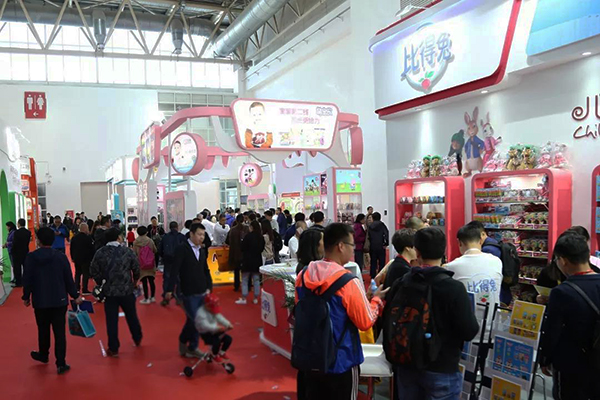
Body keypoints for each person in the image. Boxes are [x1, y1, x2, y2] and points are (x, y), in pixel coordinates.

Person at [295, 223, 387, 399]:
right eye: (352, 245)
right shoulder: (348, 281)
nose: (353, 250)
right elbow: (365, 322)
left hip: (309, 357)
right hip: (341, 360)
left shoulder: (304, 275)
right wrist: (376, 300)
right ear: (341, 246)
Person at [387, 228, 479, 399]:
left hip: (407, 363)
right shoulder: (453, 288)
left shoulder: (402, 283)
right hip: (442, 366)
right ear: (444, 250)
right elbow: (469, 330)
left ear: (417, 251)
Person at [540, 232, 600, 399]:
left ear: (563, 260)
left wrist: (545, 359)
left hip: (571, 363)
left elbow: (552, 330)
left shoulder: (562, 292)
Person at [22, 227, 82, 374]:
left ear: (38, 240)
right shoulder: (60, 257)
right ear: (53, 239)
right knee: (59, 332)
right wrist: (75, 295)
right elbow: (68, 279)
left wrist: (26, 296)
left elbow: (27, 278)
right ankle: (61, 363)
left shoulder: (31, 257)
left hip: (40, 299)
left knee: (43, 329)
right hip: (59, 299)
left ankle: (43, 354)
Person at [90, 228, 143, 357]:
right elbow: (136, 268)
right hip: (126, 290)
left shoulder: (100, 253)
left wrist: (101, 281)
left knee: (111, 320)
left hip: (109, 292)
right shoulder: (127, 251)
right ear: (118, 237)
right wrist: (135, 281)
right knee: (132, 316)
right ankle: (137, 337)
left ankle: (113, 348)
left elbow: (93, 270)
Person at [165, 223, 213, 359]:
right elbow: (174, 270)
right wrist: (169, 289)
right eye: (199, 234)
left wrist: (209, 286)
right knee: (195, 320)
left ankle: (189, 344)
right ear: (191, 234)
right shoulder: (182, 248)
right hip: (188, 291)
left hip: (202, 289)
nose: (201, 237)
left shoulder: (202, 250)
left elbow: (205, 270)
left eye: (203, 235)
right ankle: (191, 345)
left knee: (195, 320)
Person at [445, 223, 503, 308]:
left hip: (465, 316)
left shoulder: (450, 267)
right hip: (494, 315)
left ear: (459, 243)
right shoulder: (497, 261)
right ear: (481, 240)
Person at [195, 293, 234, 363]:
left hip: (214, 330)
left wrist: (228, 324)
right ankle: (214, 355)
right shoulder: (201, 314)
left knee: (228, 339)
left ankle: (221, 352)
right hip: (205, 333)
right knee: (216, 342)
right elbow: (205, 326)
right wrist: (217, 328)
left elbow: (219, 317)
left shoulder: (212, 310)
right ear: (207, 306)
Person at [236, 220, 265, 305]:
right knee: (256, 280)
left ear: (251, 227)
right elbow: (261, 249)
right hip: (257, 261)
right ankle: (256, 298)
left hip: (247, 261)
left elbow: (242, 248)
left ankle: (244, 298)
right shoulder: (261, 237)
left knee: (245, 280)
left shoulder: (247, 236)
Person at [159, 221, 186, 306]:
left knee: (167, 278)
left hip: (168, 259)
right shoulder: (182, 237)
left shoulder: (165, 237)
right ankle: (179, 297)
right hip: (179, 260)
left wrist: (163, 257)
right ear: (177, 227)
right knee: (179, 279)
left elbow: (160, 249)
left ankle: (166, 296)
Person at [133, 226, 158, 304]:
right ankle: (152, 297)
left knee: (144, 282)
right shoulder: (150, 241)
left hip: (141, 264)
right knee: (151, 281)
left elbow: (134, 253)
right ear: (146, 232)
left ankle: (146, 298)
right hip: (150, 264)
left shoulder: (136, 242)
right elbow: (155, 250)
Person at [70, 223, 95, 295]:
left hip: (77, 258)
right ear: (85, 229)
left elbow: (71, 248)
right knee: (85, 274)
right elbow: (91, 249)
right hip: (86, 259)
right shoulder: (88, 238)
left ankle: (76, 288)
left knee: (77, 273)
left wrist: (72, 257)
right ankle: (84, 289)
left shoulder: (74, 238)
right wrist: (92, 258)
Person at [226, 214, 248, 292]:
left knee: (236, 271)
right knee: (245, 271)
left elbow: (227, 241)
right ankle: (246, 285)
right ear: (243, 220)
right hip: (245, 253)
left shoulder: (232, 230)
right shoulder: (247, 229)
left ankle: (236, 286)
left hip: (235, 253)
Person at [367, 212, 389, 279]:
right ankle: (380, 275)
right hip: (381, 245)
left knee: (373, 261)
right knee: (381, 262)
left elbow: (368, 236)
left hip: (372, 245)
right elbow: (386, 234)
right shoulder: (382, 225)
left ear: (373, 218)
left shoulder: (370, 226)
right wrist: (386, 243)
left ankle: (373, 275)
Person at [11, 219, 31, 288]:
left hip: (17, 252)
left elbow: (15, 243)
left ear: (19, 224)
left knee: (17, 268)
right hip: (25, 251)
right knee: (25, 267)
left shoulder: (16, 232)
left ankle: (18, 282)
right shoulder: (28, 232)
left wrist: (12, 250)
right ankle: (26, 281)